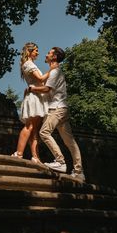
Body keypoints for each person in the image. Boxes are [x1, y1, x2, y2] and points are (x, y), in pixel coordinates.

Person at [29, 47, 85, 182]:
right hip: (62, 108)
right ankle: (79, 172)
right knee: (70, 141)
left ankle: (60, 161)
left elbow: (47, 89)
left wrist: (32, 89)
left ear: (54, 57)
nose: (46, 54)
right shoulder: (55, 72)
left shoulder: (55, 72)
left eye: (49, 53)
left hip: (57, 109)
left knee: (44, 132)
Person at [12, 42, 50, 162]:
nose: (38, 52)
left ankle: (35, 156)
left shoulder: (30, 64)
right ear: (29, 51)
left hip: (38, 97)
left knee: (35, 130)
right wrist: (52, 70)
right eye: (36, 50)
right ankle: (18, 153)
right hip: (34, 97)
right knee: (29, 126)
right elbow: (40, 79)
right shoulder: (28, 64)